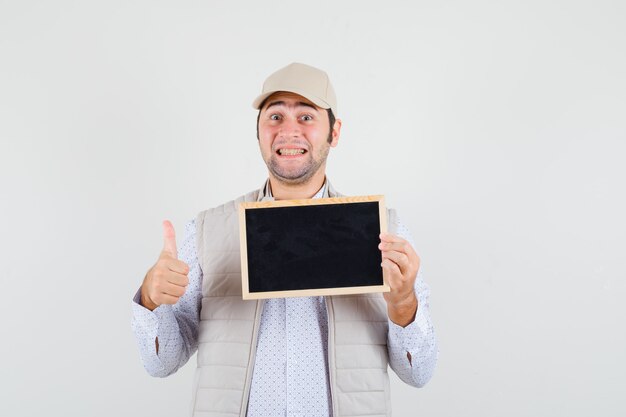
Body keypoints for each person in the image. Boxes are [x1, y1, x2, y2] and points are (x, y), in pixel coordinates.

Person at [131, 62, 438, 417]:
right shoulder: (206, 230)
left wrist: (404, 304)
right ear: (259, 132)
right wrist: (151, 300)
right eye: (275, 116)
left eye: (306, 117)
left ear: (334, 133)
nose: (288, 131)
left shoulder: (385, 230)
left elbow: (419, 373)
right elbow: (161, 363)